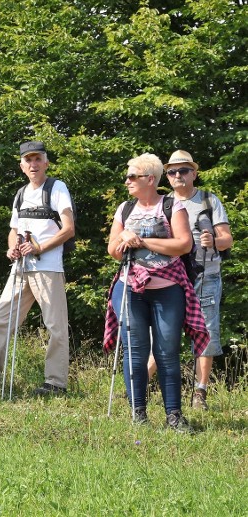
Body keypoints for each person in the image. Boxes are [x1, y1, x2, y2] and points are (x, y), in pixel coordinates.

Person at [105, 153, 209, 431]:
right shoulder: (125, 209)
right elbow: (113, 251)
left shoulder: (172, 206)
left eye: (132, 176)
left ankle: (174, 416)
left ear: (150, 180)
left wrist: (143, 241)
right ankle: (138, 415)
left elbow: (184, 245)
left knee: (166, 352)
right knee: (135, 353)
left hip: (168, 288)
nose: (127, 181)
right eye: (127, 176)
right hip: (128, 287)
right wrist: (124, 239)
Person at [0, 141, 75, 396]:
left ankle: (56, 383)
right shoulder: (21, 193)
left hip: (48, 269)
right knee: (1, 320)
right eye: (28, 160)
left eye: (38, 159)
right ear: (21, 165)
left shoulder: (57, 188)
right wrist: (12, 248)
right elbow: (14, 230)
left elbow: (69, 229)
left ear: (46, 163)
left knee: (55, 326)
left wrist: (39, 248)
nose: (33, 164)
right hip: (20, 268)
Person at [156, 150, 232, 410]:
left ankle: (200, 392)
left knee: (206, 331)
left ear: (194, 173)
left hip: (206, 276)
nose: (178, 175)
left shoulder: (209, 201)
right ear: (166, 176)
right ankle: (140, 384)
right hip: (170, 276)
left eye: (184, 170)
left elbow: (227, 239)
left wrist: (213, 241)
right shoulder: (162, 203)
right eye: (172, 171)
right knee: (165, 331)